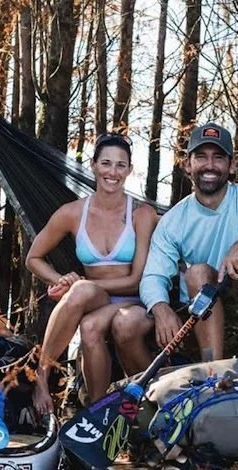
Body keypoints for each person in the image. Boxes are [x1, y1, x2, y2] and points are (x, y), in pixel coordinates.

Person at [111, 122, 238, 371]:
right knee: (125, 325)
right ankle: (158, 399)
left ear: (232, 165)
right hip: (191, 314)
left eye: (218, 157)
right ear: (188, 165)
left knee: (198, 273)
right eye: (201, 157)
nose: (209, 165)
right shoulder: (175, 220)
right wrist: (161, 307)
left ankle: (212, 377)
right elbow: (154, 275)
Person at [25, 133, 159, 416]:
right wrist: (60, 280)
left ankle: (102, 408)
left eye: (121, 165)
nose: (113, 172)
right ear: (94, 165)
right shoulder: (72, 213)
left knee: (88, 322)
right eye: (106, 163)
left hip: (133, 299)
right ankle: (56, 388)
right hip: (96, 299)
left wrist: (82, 283)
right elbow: (33, 259)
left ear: (129, 170)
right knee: (83, 297)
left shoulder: (142, 214)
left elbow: (136, 278)